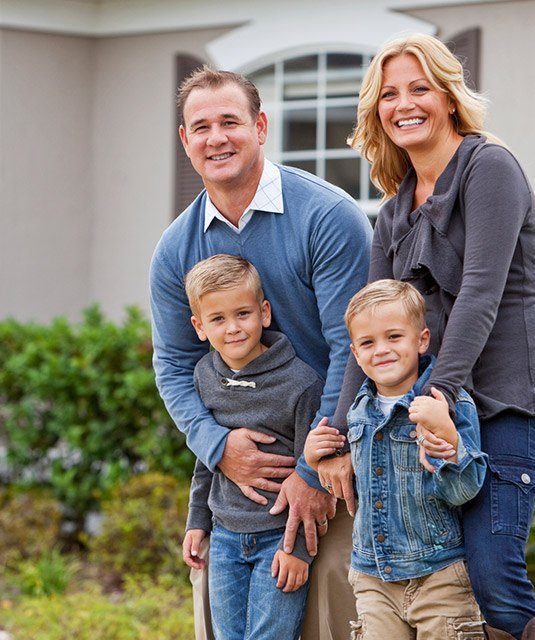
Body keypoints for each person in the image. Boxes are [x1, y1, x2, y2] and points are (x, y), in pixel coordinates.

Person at [319, 34, 535, 640]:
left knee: (492, 569)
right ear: (375, 110)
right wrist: (333, 432)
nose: (403, 104)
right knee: (435, 575)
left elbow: (483, 290)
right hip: (432, 405)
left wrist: (437, 397)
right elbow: (367, 324)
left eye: (418, 88)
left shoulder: (490, 169)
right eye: (389, 94)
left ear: (449, 97)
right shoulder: (393, 212)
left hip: (503, 396)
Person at [150, 67, 372, 640]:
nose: (216, 138)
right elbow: (174, 364)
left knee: (323, 615)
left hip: (334, 457)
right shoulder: (175, 250)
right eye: (201, 127)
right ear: (184, 141)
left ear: (261, 126)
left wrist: (312, 470)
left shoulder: (327, 217)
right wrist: (217, 447)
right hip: (232, 491)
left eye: (231, 121)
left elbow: (353, 351)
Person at [305, 280, 487, 639]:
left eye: (394, 337)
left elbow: (465, 490)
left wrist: (449, 442)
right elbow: (362, 487)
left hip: (438, 575)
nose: (381, 350)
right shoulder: (356, 412)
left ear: (421, 340)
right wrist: (314, 459)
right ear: (355, 354)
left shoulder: (447, 405)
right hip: (373, 576)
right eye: (368, 343)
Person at [180, 255, 322, 639]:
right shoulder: (204, 377)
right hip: (225, 537)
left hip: (279, 538)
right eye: (218, 319)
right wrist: (198, 522)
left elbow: (315, 473)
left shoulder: (301, 383)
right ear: (199, 327)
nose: (233, 328)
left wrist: (299, 551)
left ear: (264, 312)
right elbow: (207, 458)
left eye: (242, 314)